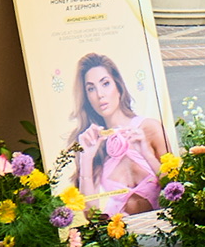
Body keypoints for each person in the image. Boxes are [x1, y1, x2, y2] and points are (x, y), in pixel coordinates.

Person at [70, 52, 170, 214]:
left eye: (105, 83)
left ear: (118, 86)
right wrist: (86, 159)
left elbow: (176, 186)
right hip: (121, 233)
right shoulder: (92, 143)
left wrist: (147, 155)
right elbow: (91, 213)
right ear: (87, 97)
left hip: (162, 229)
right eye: (91, 89)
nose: (100, 94)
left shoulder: (149, 128)